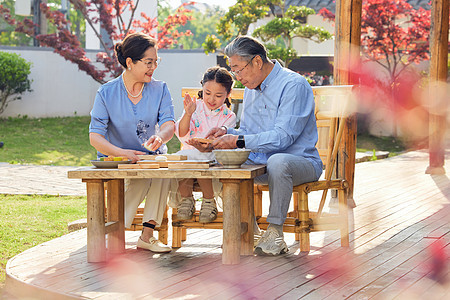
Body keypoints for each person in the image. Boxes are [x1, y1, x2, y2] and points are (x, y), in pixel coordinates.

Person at [195, 36, 324, 256]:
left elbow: (284, 138)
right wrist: (226, 133)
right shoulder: (251, 89)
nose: (237, 77)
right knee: (220, 161)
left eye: (239, 69)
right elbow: (248, 132)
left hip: (300, 163)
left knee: (278, 161)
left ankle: (274, 232)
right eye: (233, 70)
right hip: (262, 163)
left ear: (256, 62)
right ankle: (250, 230)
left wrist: (237, 141)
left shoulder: (294, 85)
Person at [89, 32, 175, 253]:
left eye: (156, 61)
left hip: (150, 159)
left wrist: (161, 137)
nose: (153, 67)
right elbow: (95, 137)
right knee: (146, 173)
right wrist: (124, 153)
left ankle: (144, 235)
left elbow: (168, 124)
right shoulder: (106, 93)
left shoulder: (160, 89)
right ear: (129, 62)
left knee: (161, 166)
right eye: (148, 62)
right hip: (119, 160)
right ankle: (118, 231)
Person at [173, 66, 236, 223]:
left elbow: (225, 142)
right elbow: (182, 134)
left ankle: (208, 201)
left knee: (202, 157)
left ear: (228, 94)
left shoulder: (228, 116)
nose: (211, 99)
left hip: (214, 158)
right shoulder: (195, 107)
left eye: (218, 95)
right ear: (202, 88)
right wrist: (188, 114)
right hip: (190, 154)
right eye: (207, 93)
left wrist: (210, 146)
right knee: (181, 158)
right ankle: (186, 199)